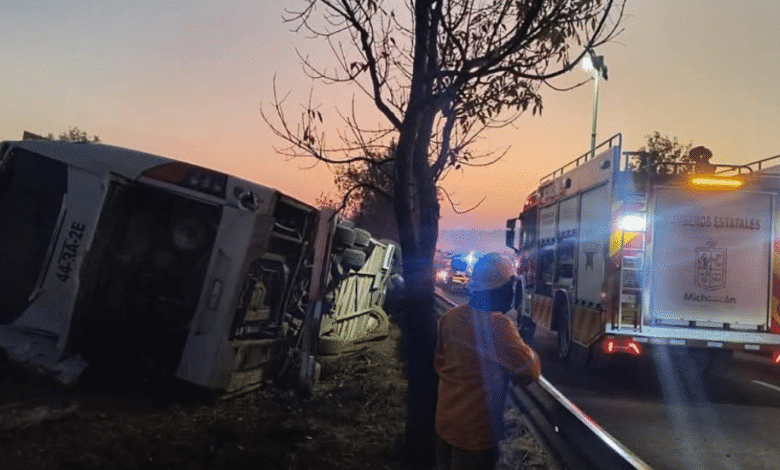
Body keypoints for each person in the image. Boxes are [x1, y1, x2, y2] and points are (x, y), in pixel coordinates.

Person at [434, 253, 541, 470]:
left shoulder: (450, 318)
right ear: (501, 290)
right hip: (474, 437)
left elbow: (439, 362)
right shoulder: (499, 325)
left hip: (444, 424)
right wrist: (525, 342)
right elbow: (530, 371)